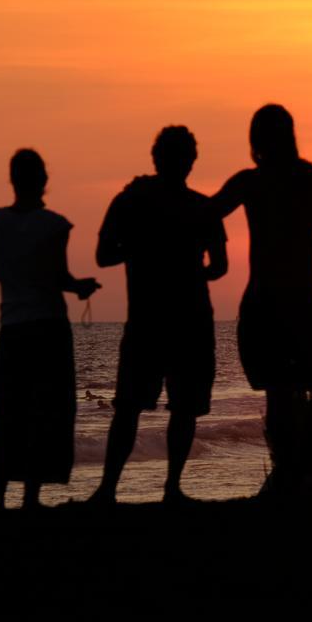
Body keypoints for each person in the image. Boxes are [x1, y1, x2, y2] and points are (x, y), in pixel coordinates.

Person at [211, 104, 312, 491]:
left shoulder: (250, 182)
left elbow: (206, 213)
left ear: (255, 142)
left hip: (264, 302)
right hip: (305, 299)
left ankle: (289, 471)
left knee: (279, 393)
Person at [89, 126, 227, 504]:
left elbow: (104, 255)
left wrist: (145, 250)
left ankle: (114, 490)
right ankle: (162, 489)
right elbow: (219, 267)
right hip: (179, 319)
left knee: (140, 406)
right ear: (190, 161)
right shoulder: (198, 206)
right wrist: (177, 261)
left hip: (161, 319)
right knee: (165, 407)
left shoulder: (133, 201)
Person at [0, 149, 100, 510]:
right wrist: (80, 287)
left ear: (12, 179)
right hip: (48, 326)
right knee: (45, 410)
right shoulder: (54, 225)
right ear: (44, 181)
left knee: (8, 411)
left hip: (13, 327)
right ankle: (31, 497)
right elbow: (58, 276)